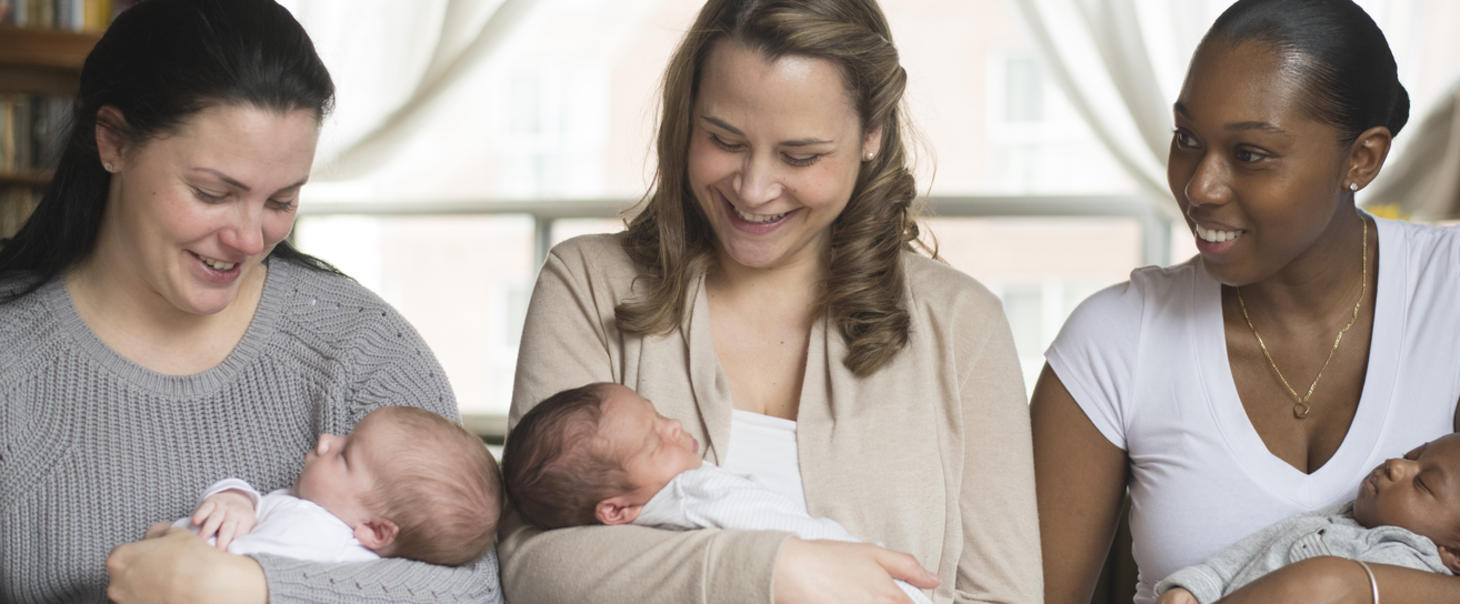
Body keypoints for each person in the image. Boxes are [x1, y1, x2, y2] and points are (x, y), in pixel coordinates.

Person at [1031, 1, 1460, 603]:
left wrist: (1338, 583)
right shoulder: (1114, 337)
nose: (1198, 187)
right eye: (1187, 138)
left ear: (1361, 159)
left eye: (1249, 153)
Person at [495, 0, 1042, 602]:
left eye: (800, 156)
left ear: (872, 135)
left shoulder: (962, 325)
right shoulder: (588, 283)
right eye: (723, 139)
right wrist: (776, 571)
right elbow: (533, 567)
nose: (754, 190)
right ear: (686, 120)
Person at [0, 1, 501, 602]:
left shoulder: (361, 348)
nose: (248, 239)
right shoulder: (13, 359)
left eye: (281, 201)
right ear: (113, 142)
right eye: (212, 193)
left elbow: (473, 587)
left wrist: (245, 587)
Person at [502, 383, 934, 604]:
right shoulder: (691, 495)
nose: (673, 426)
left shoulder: (658, 510)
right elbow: (777, 530)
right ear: (615, 510)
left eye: (657, 414)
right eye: (654, 442)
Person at [1152, 423, 1460, 604]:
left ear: (1457, 556)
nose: (1397, 466)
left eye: (1423, 483)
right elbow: (1244, 554)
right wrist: (1193, 588)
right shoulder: (1337, 520)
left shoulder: (1405, 562)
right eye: (1413, 456)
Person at [168, 406, 502, 567]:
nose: (326, 440)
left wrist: (168, 538)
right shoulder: (317, 519)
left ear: (374, 529)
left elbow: (218, 574)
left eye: (344, 454)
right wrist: (238, 497)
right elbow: (262, 509)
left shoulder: (312, 533)